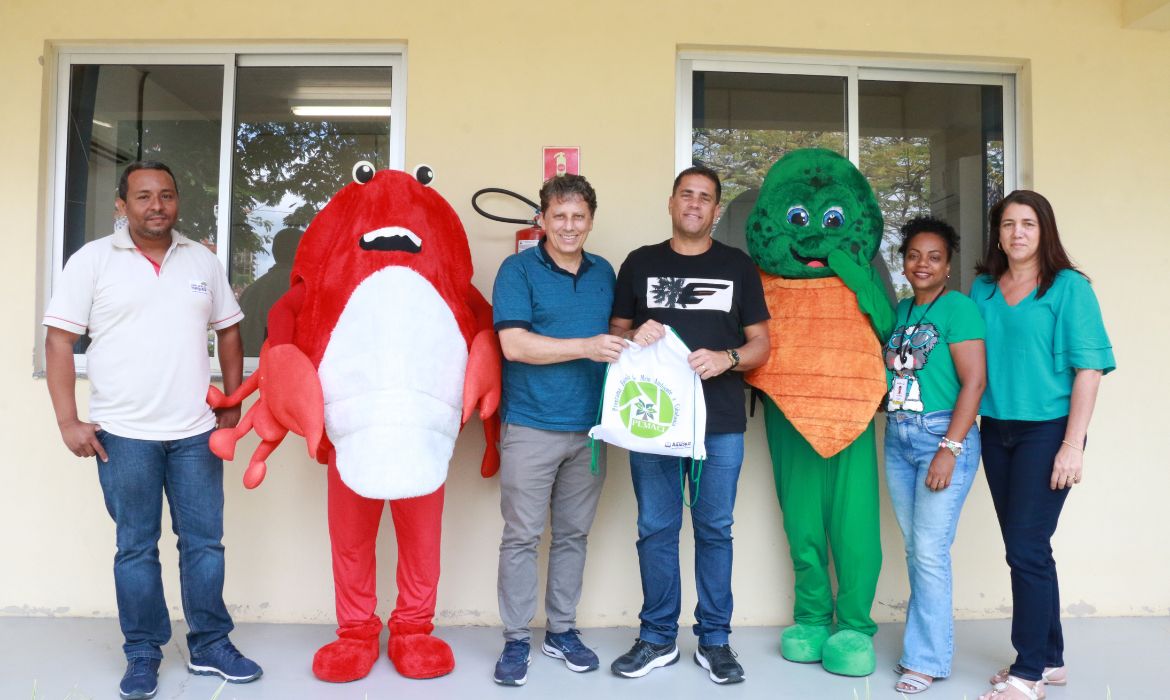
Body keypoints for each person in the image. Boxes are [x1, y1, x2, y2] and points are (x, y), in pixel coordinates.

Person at [43, 161, 261, 700]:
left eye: (166, 194)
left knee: (204, 545)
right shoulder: (92, 261)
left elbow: (230, 332)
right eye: (143, 196)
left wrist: (231, 401)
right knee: (136, 548)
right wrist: (68, 420)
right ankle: (143, 652)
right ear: (122, 205)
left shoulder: (202, 261)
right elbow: (58, 343)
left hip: (195, 433)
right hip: (123, 434)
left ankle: (211, 644)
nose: (156, 205)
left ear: (177, 202)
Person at [608, 165, 770, 685]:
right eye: (687, 195)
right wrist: (636, 334)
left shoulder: (738, 266)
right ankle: (657, 638)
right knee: (655, 529)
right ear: (672, 202)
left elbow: (761, 344)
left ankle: (715, 641)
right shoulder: (640, 263)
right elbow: (614, 338)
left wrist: (728, 358)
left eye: (705, 198)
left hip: (718, 424)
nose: (695, 204)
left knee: (714, 531)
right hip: (651, 422)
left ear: (716, 211)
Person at [972, 191, 1114, 700]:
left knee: (1025, 549)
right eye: (1008, 224)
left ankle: (1028, 673)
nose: (1017, 234)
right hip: (996, 430)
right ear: (998, 233)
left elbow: (1090, 370)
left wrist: (1073, 445)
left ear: (1044, 230)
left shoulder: (1069, 288)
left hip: (1048, 431)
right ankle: (1051, 659)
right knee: (1030, 549)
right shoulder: (984, 289)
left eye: (1028, 224)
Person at [490, 174, 622, 686]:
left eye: (579, 217)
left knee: (573, 536)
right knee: (522, 536)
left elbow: (615, 337)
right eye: (559, 216)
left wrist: (640, 333)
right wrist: (588, 346)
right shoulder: (517, 269)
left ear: (591, 220)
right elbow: (515, 346)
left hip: (591, 429)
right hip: (530, 425)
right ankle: (516, 640)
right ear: (541, 219)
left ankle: (562, 632)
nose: (569, 226)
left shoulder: (604, 272)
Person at [882, 217, 986, 695]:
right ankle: (926, 650)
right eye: (914, 255)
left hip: (940, 438)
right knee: (916, 549)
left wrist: (950, 447)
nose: (922, 264)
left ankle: (925, 661)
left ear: (949, 265)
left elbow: (975, 382)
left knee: (928, 551)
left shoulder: (959, 309)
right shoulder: (903, 311)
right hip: (899, 438)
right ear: (904, 261)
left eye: (935, 257)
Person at [238, 227, 302, 356]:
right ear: (301, 250)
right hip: (281, 367)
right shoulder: (298, 288)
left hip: (251, 367)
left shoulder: (251, 290)